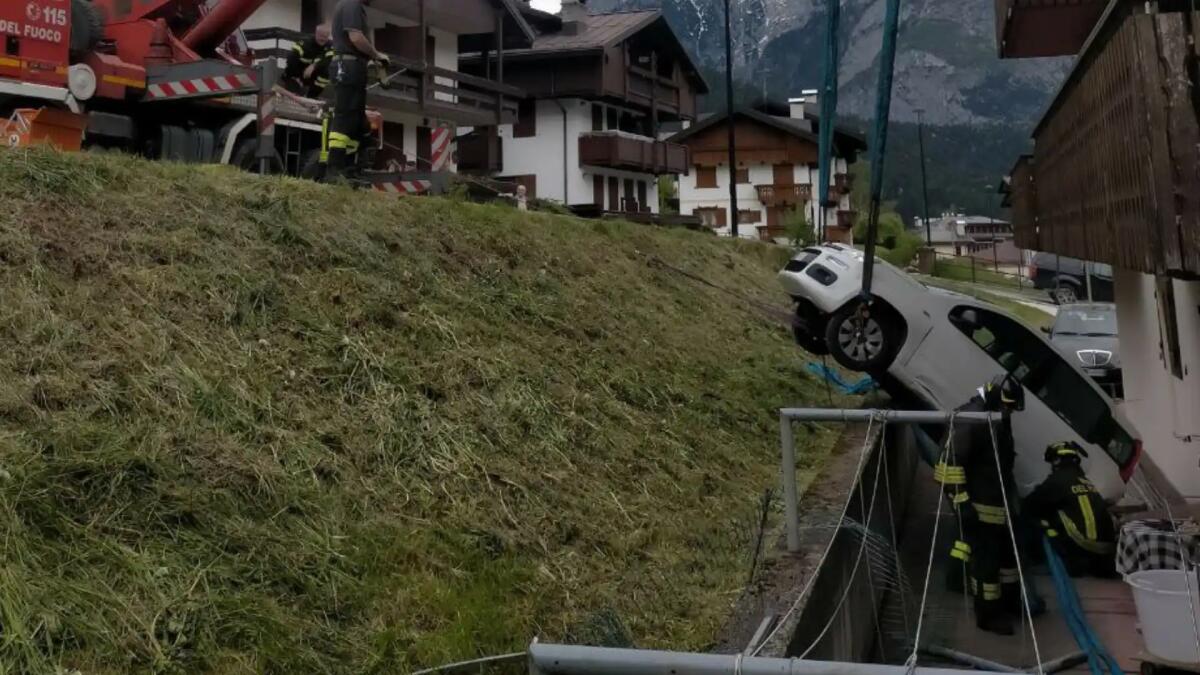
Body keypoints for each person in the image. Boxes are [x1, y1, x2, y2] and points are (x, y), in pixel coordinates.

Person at [947, 374, 1026, 636]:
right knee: (986, 565)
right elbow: (948, 464)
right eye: (1007, 407)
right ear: (995, 398)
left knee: (1008, 561)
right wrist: (962, 503)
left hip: (999, 504)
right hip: (979, 508)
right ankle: (988, 615)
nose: (1009, 413)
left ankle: (1010, 603)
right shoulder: (971, 419)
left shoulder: (997, 417)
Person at [1025, 441, 1117, 578]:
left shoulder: (1057, 480)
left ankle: (1039, 560)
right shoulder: (1083, 480)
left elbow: (1031, 504)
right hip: (1105, 551)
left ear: (1057, 461)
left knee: (1034, 516)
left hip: (1083, 548)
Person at [327, 0, 389, 179]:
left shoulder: (351, 5)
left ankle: (350, 167)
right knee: (345, 116)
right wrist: (376, 54)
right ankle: (335, 168)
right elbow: (356, 37)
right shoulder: (351, 4)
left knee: (357, 120)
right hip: (347, 67)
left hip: (352, 66)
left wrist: (371, 59)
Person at [284, 23, 334, 98]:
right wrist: (296, 76)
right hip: (298, 73)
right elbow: (292, 57)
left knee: (327, 71)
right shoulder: (305, 42)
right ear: (316, 33)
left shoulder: (330, 46)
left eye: (325, 36)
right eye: (321, 36)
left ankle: (311, 96)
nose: (323, 39)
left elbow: (329, 59)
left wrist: (313, 66)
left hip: (314, 74)